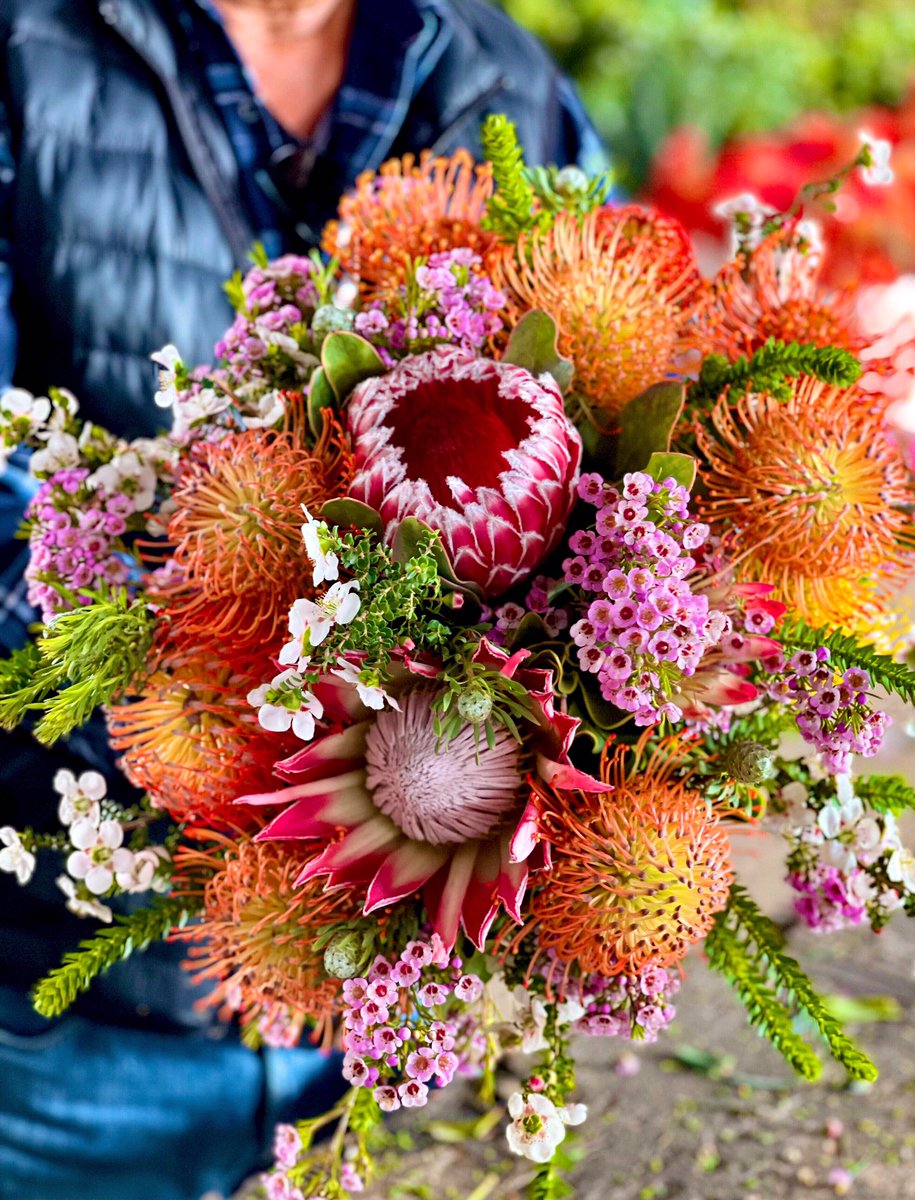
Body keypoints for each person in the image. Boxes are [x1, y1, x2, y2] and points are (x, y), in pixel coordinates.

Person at [0, 1, 604, 1196]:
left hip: (406, 1042)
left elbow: (605, 440)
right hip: (70, 1010)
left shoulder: (498, 78)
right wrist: (223, 695)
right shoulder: (26, 60)